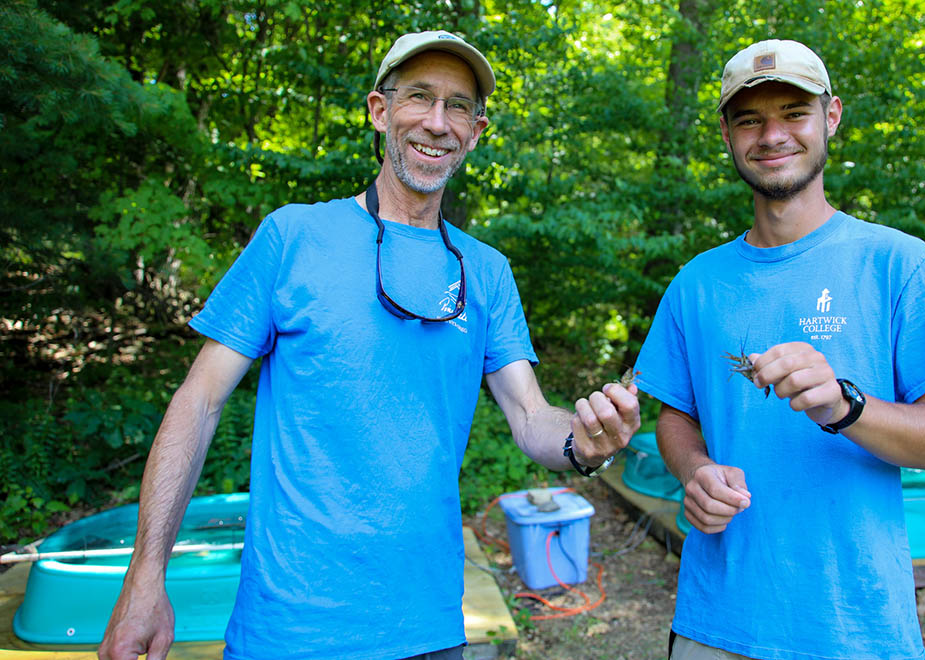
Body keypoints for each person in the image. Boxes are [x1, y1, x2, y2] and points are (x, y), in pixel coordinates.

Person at [98, 30, 639, 660]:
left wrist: (584, 442)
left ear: (477, 129)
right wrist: (145, 577)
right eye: (419, 98)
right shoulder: (293, 236)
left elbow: (529, 415)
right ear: (379, 111)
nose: (438, 123)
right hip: (290, 631)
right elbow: (198, 403)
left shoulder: (485, 271)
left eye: (458, 106)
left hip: (428, 630)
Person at [632, 39, 925, 660]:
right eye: (749, 119)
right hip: (717, 623)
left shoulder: (899, 265)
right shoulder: (696, 284)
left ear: (831, 117)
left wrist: (847, 406)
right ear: (726, 133)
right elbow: (676, 416)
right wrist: (694, 470)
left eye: (793, 112)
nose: (772, 135)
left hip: (856, 627)